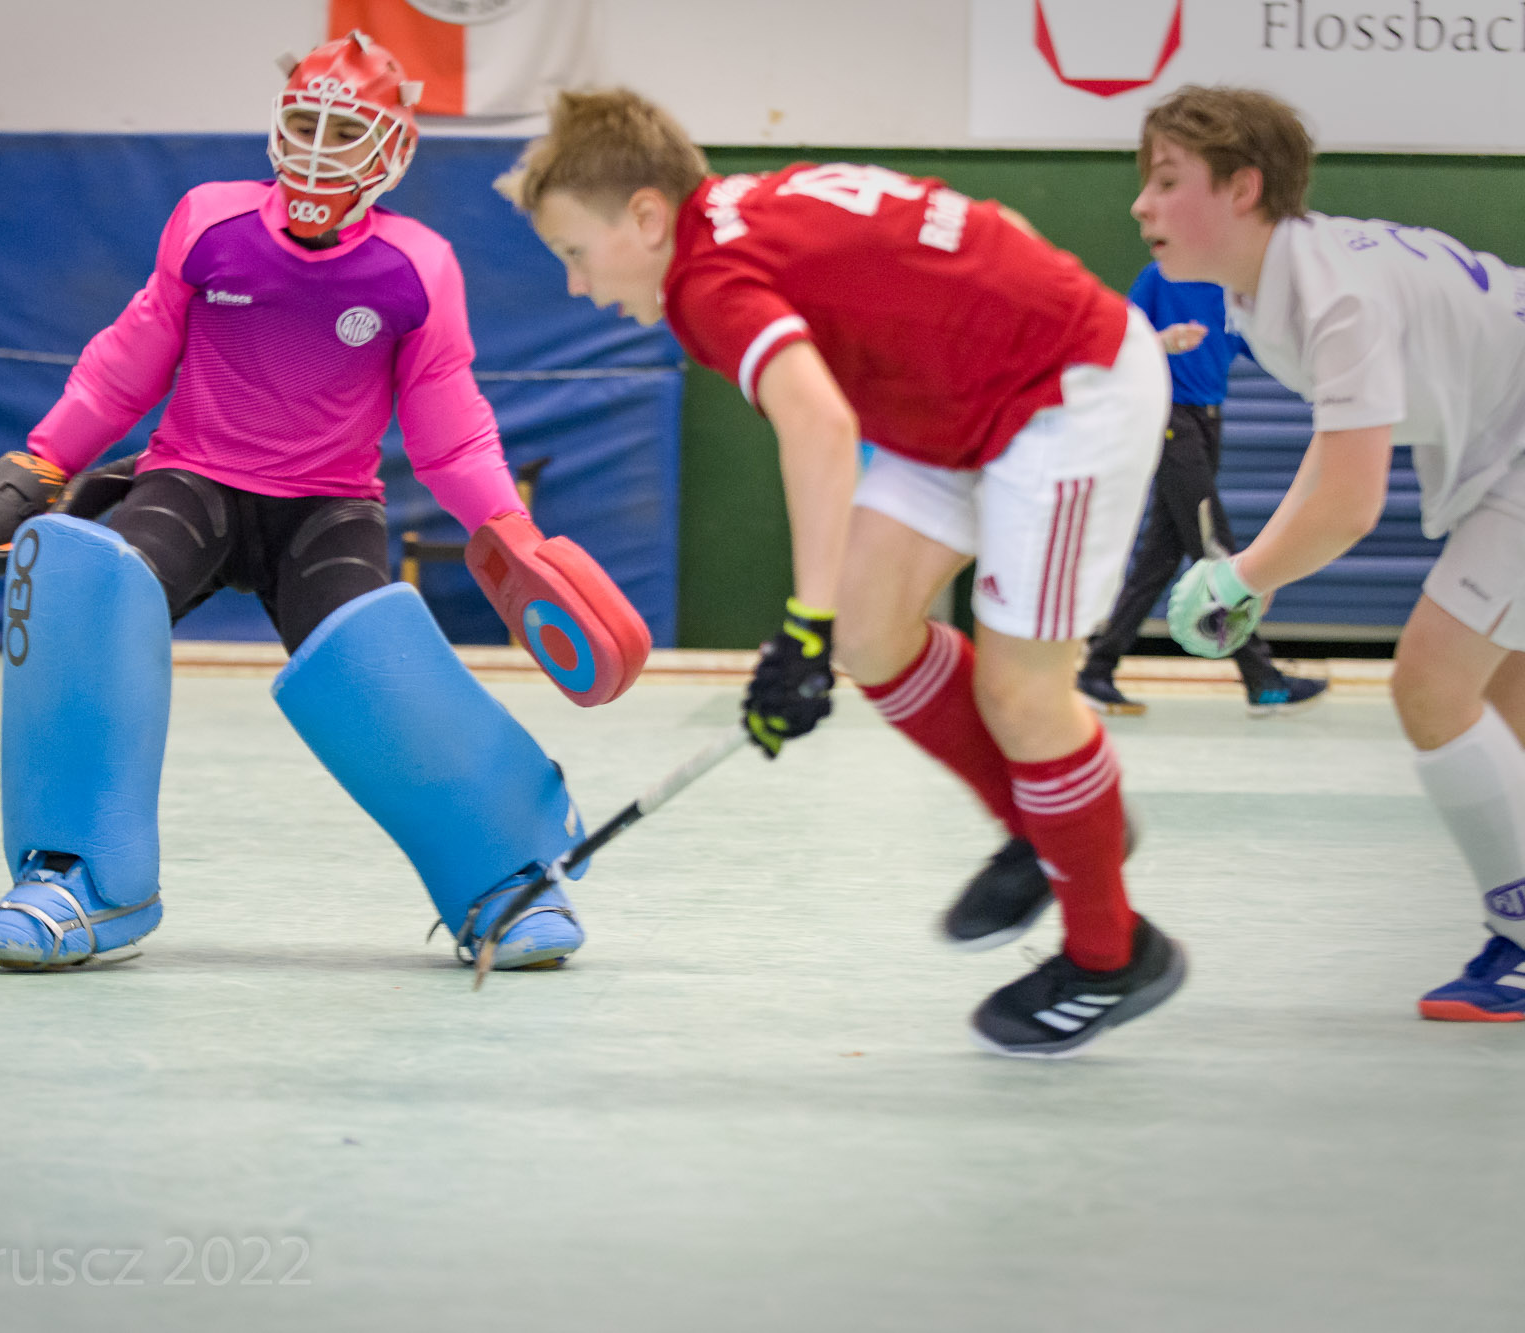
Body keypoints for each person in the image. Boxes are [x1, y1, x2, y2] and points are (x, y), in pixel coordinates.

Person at [0, 32, 650, 974]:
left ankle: (505, 879)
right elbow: (124, 366)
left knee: (376, 659)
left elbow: (448, 433)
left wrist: (508, 529)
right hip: (191, 483)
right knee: (89, 588)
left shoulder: (418, 267)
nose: (317, 147)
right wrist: (43, 459)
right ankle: (80, 880)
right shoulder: (209, 224)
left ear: (393, 149)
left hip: (325, 509)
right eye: (304, 122)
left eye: (343, 130)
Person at [498, 90, 1186, 1057]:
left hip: (1069, 394)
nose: (577, 286)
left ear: (647, 216)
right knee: (871, 631)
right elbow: (996, 224)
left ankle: (1111, 952)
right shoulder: (740, 211)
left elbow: (819, 425)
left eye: (575, 252)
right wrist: (827, 629)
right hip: (957, 403)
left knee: (1022, 694)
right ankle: (1050, 829)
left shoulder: (706, 280)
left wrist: (800, 628)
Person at [1140, 85, 1525, 1022]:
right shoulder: (1271, 288)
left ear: (1242, 188)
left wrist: (1241, 574)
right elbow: (1338, 439)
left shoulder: (1332, 293)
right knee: (1503, 698)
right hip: (1503, 447)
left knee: (1433, 680)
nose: (1142, 204)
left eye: (1166, 179)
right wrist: (1261, 571)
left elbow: (1352, 505)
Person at [1078, 263, 1328, 717]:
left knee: (1160, 556)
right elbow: (1122, 341)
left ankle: (1097, 668)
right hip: (1173, 420)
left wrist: (1319, 372)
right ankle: (1263, 680)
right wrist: (1164, 340)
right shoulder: (1158, 278)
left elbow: (1261, 347)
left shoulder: (1233, 287)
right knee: (1215, 547)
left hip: (1210, 421)